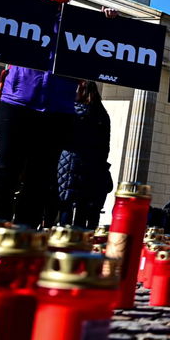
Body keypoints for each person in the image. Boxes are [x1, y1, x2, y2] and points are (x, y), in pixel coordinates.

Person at [0, 0, 118, 227]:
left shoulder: (80, 25)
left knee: (41, 174)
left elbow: (106, 50)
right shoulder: (21, 12)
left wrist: (108, 25)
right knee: (6, 168)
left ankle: (25, 232)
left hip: (57, 108)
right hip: (17, 101)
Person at [56, 81, 113, 229]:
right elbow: (105, 146)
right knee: (83, 206)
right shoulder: (103, 114)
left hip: (70, 162)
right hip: (92, 165)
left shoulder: (74, 110)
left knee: (66, 205)